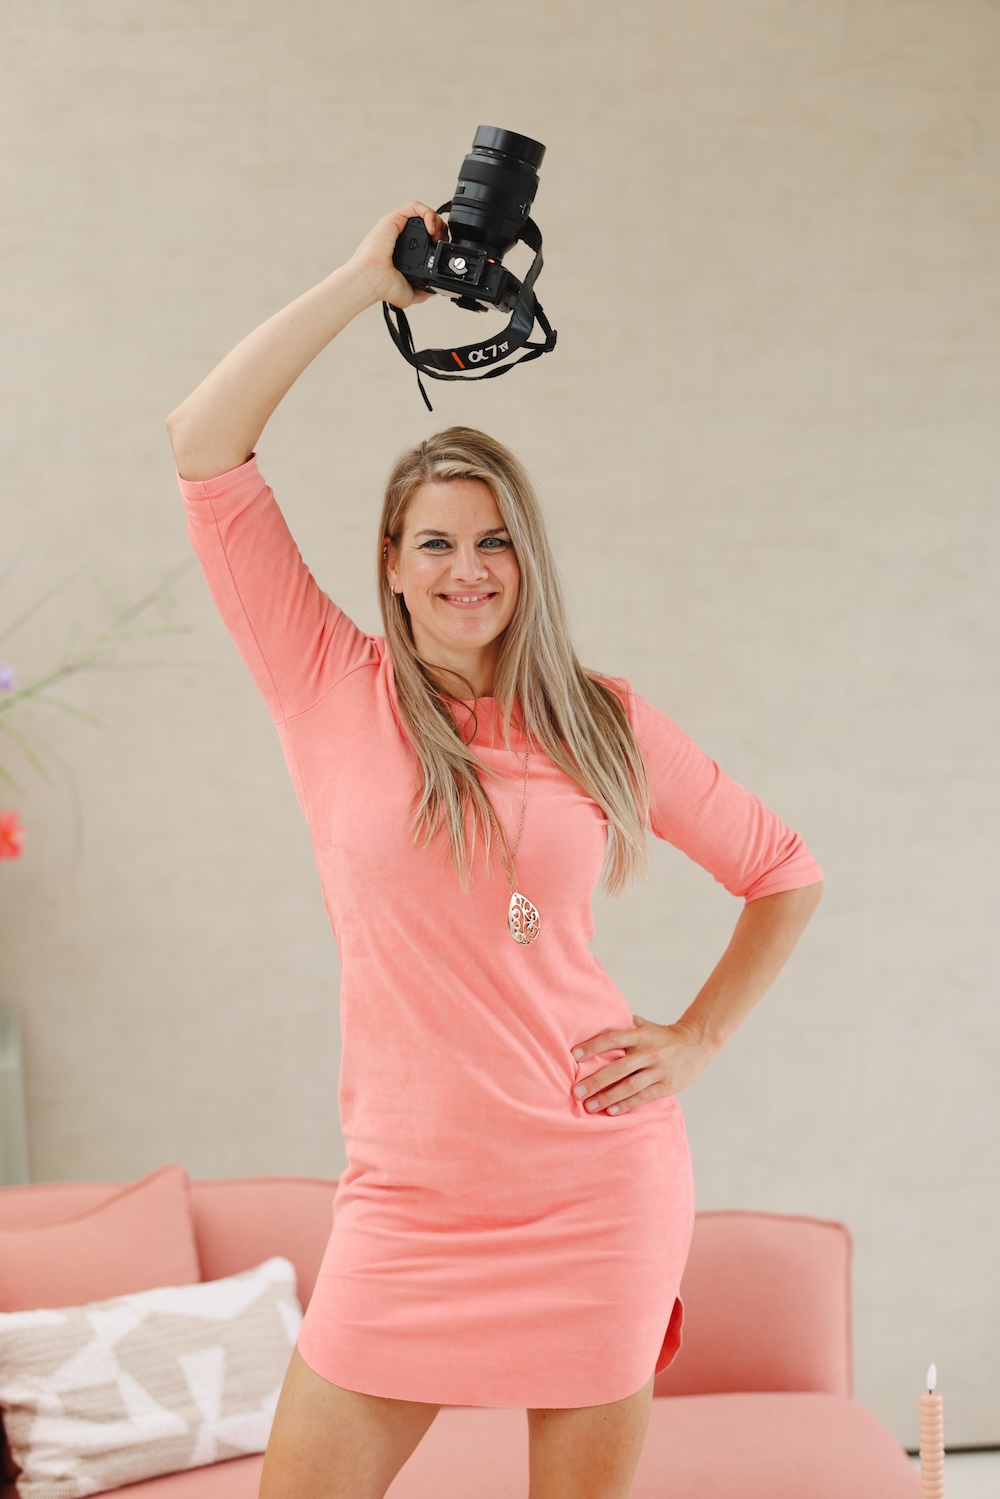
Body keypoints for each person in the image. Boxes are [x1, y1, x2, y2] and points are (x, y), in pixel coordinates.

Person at [166, 201, 824, 1499]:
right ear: (391, 565)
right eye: (436, 543)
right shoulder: (325, 683)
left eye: (494, 541)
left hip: (596, 1191)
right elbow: (202, 441)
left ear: (527, 561)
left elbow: (784, 872)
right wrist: (361, 282)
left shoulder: (601, 719)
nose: (467, 569)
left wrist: (697, 1039)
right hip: (408, 1203)